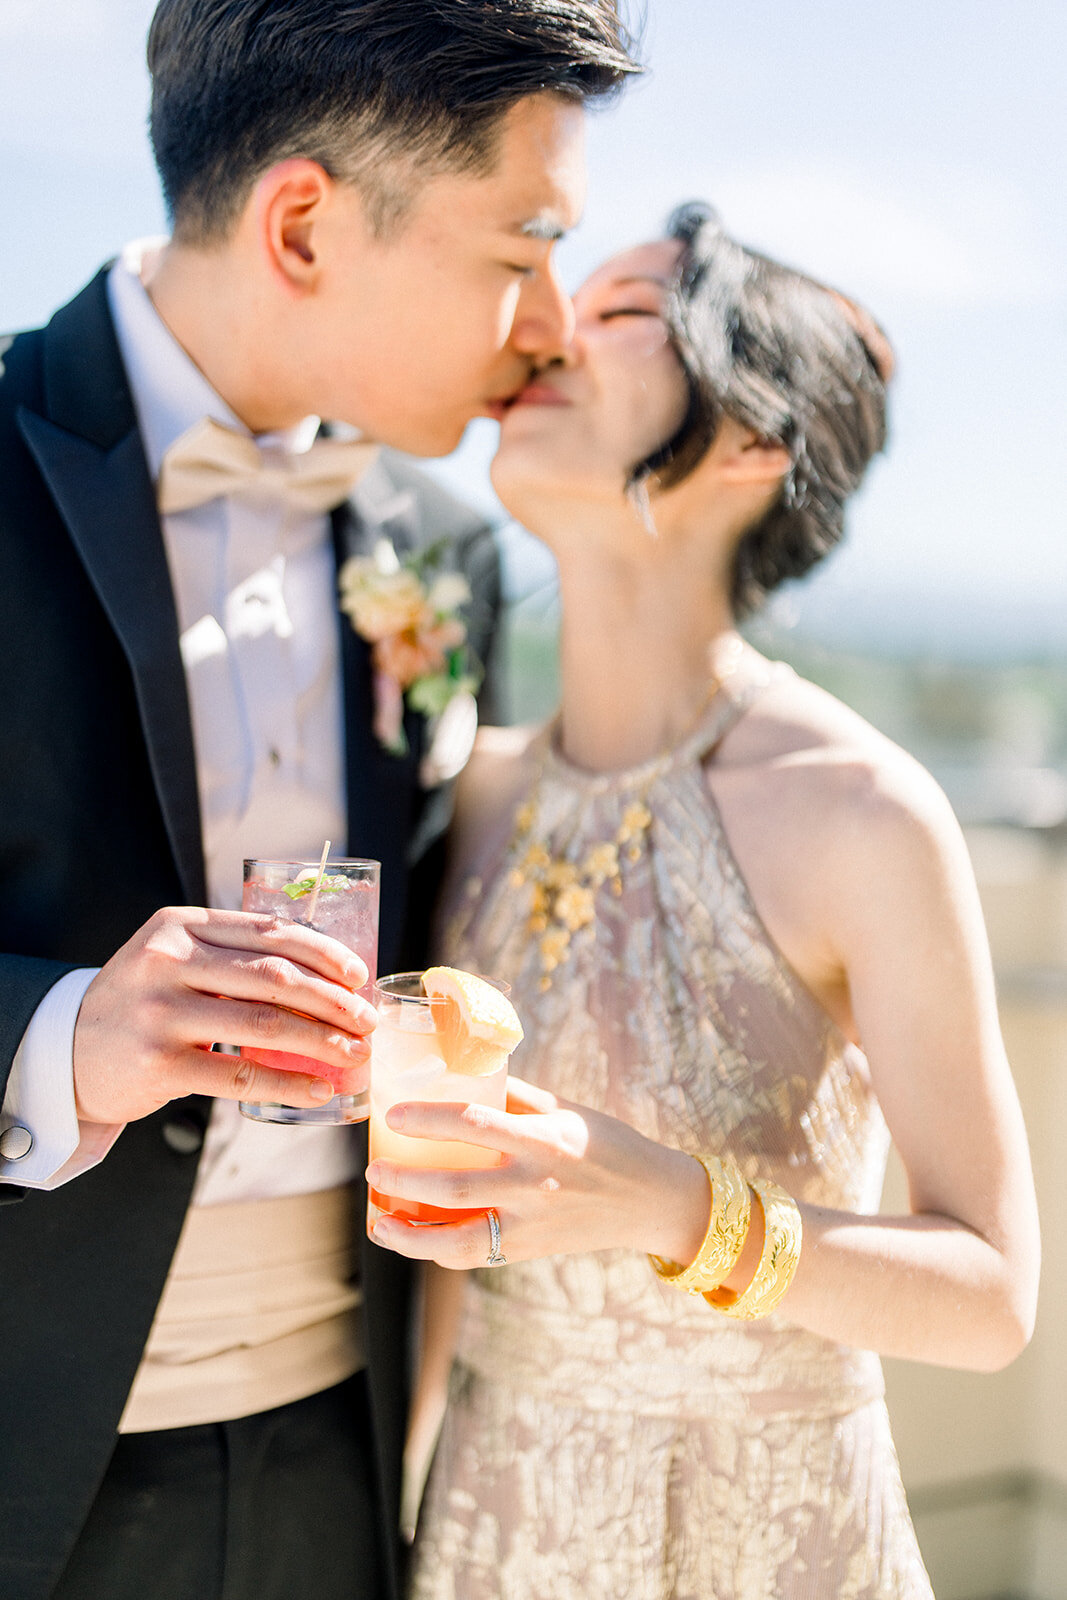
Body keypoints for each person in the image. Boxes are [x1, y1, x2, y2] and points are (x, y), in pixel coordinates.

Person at [0, 4, 639, 1597]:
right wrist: (62, 1035)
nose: (553, 322)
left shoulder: (447, 553)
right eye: (524, 246)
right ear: (301, 223)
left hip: (341, 1463)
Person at [365, 205, 1042, 1598]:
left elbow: (993, 1296)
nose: (542, 330)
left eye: (619, 316)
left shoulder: (862, 810)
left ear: (749, 448)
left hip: (770, 1547)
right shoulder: (475, 798)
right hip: (493, 1540)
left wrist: (670, 1205)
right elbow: (434, 1253)